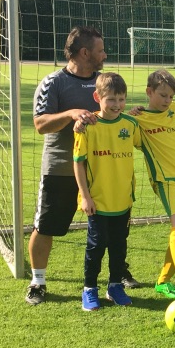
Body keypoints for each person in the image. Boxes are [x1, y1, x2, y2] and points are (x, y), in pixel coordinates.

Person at [26, 25, 138, 305]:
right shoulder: (53, 82)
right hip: (62, 168)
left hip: (103, 174)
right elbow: (40, 124)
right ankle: (38, 281)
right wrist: (70, 114)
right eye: (101, 50)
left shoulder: (105, 82)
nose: (105, 54)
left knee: (112, 231)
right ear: (85, 52)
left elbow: (116, 115)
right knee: (46, 226)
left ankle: (117, 275)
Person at [128, 69, 175, 297]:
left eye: (171, 96)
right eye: (162, 95)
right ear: (149, 92)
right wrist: (130, 113)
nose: (167, 100)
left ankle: (162, 281)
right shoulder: (138, 120)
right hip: (166, 179)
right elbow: (117, 125)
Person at [72, 73, 141, 311]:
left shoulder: (130, 125)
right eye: (111, 99)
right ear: (97, 97)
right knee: (96, 245)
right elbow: (78, 163)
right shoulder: (87, 127)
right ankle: (89, 288)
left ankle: (115, 286)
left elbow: (151, 133)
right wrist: (85, 196)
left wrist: (142, 111)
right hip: (97, 201)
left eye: (121, 99)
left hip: (123, 199)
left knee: (119, 246)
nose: (116, 105)